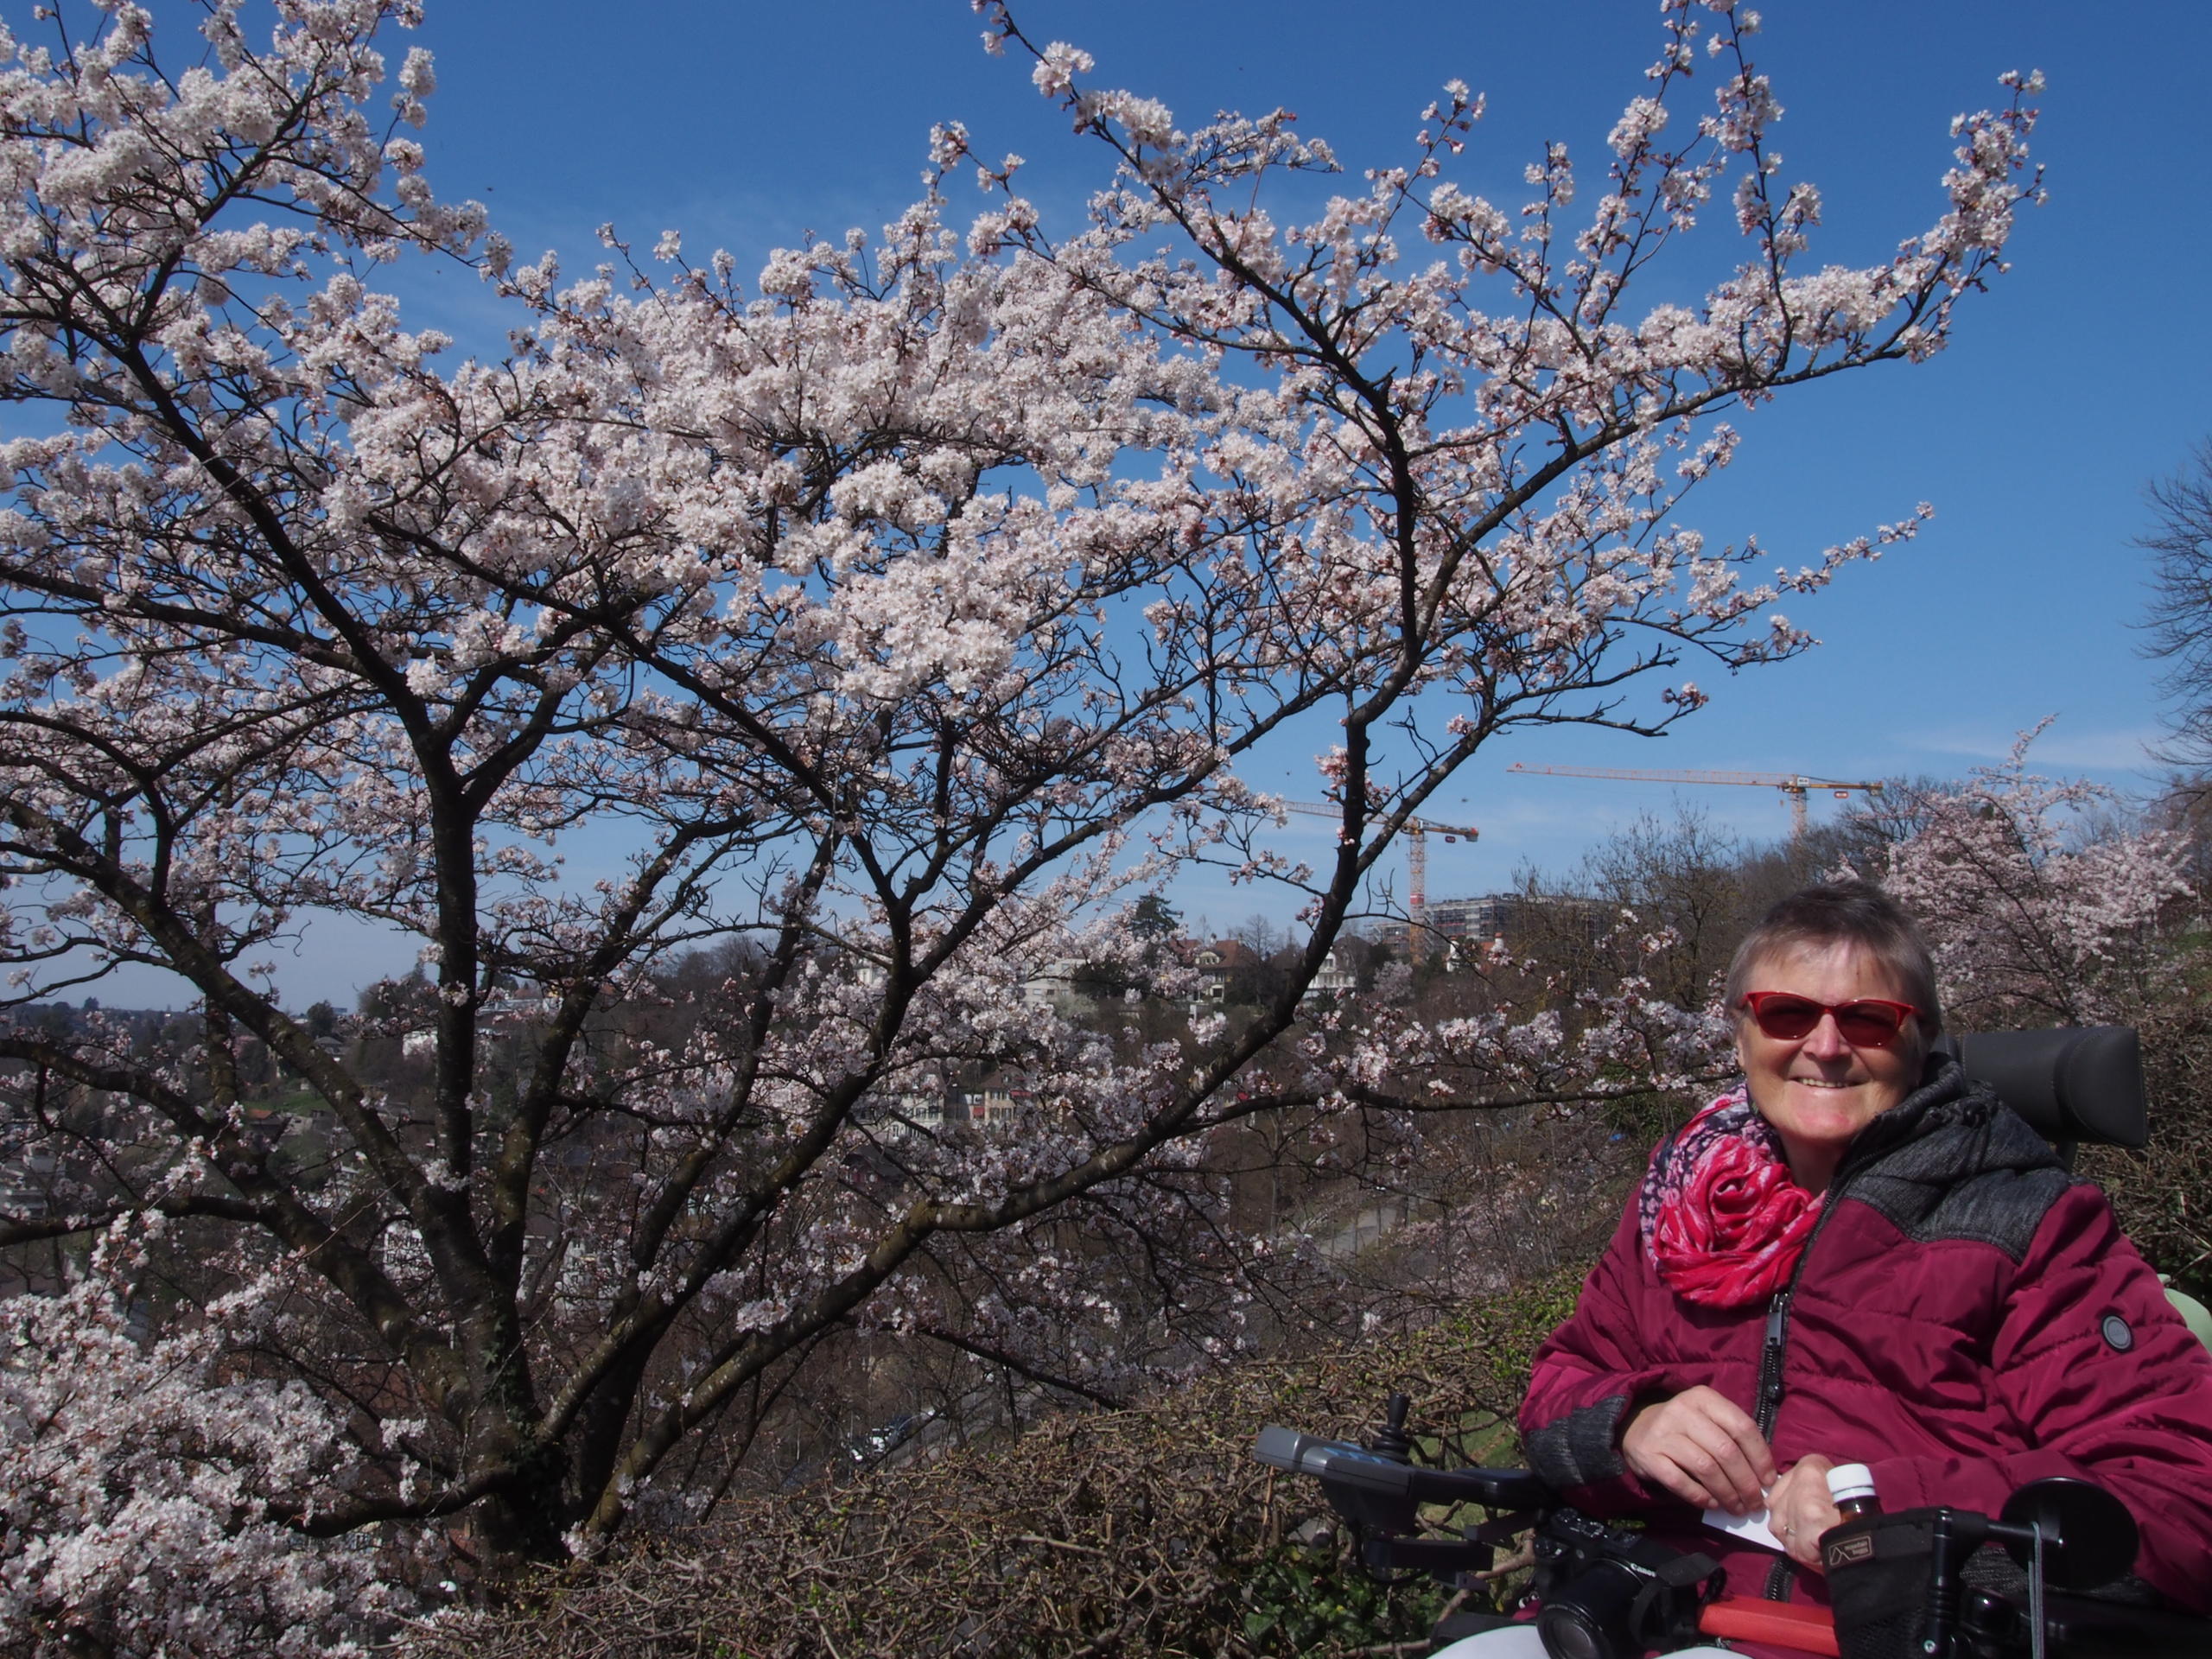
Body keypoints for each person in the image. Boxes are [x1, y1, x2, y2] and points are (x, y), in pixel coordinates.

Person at [1445, 880, 2212, 1659]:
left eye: (1870, 1019)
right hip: (1665, 1611)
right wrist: (1631, 1424)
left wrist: (1883, 1506)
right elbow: (1556, 1390)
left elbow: (2182, 1500)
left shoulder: (2026, 1220)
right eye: (1787, 1013)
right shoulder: (1679, 1203)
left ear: (1923, 1041)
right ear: (1740, 1032)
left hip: (1896, 1631)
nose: (1825, 1045)